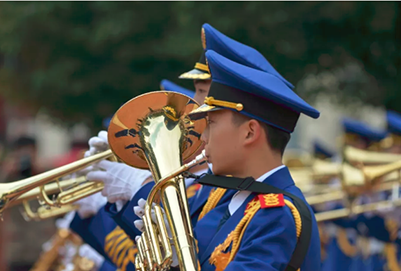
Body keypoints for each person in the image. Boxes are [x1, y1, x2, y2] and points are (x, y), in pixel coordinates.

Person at [135, 49, 321, 270]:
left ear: (249, 132)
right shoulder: (235, 200)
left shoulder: (276, 214)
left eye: (211, 124)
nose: (203, 138)